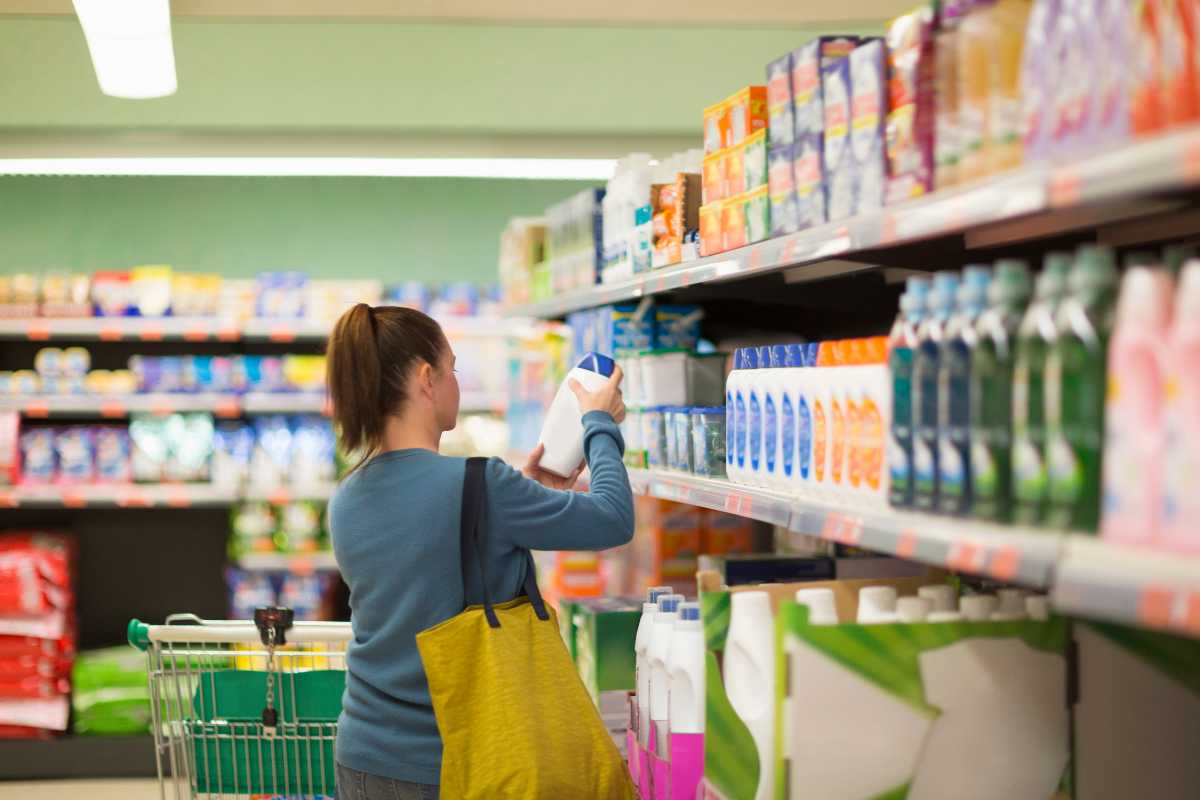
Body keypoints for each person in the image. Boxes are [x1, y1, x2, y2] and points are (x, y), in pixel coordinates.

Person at [325, 303, 634, 800]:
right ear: (426, 379)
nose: (455, 382)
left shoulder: (347, 497)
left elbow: (430, 562)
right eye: (452, 368)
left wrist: (530, 491)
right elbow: (614, 518)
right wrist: (599, 424)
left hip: (361, 756)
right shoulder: (481, 484)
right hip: (454, 761)